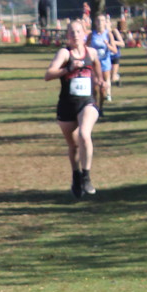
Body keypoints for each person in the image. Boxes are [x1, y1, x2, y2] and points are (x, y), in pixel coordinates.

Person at [44, 19, 102, 198]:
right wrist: (68, 68)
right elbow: (48, 75)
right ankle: (76, 176)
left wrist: (101, 81)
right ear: (67, 36)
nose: (75, 35)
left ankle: (86, 176)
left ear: (84, 34)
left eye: (78, 32)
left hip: (87, 102)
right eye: (71, 32)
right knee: (74, 146)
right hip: (67, 104)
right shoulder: (64, 53)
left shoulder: (91, 52)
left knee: (84, 134)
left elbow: (97, 68)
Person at [87, 13, 113, 106]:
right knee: (95, 87)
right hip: (94, 63)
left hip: (105, 62)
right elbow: (85, 46)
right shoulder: (92, 34)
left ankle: (102, 103)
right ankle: (95, 105)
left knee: (103, 87)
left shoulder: (108, 34)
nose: (100, 22)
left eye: (102, 20)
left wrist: (108, 45)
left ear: (105, 22)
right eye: (98, 20)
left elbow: (114, 49)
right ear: (95, 22)